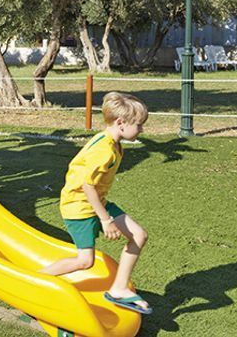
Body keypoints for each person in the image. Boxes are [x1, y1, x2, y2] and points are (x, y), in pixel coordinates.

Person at [40, 92, 152, 315]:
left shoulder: (113, 142)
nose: (141, 130)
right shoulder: (104, 150)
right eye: (139, 125)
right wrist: (105, 219)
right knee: (85, 261)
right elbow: (87, 186)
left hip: (97, 202)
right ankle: (36, 279)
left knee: (139, 235)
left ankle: (119, 288)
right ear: (121, 123)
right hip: (79, 206)